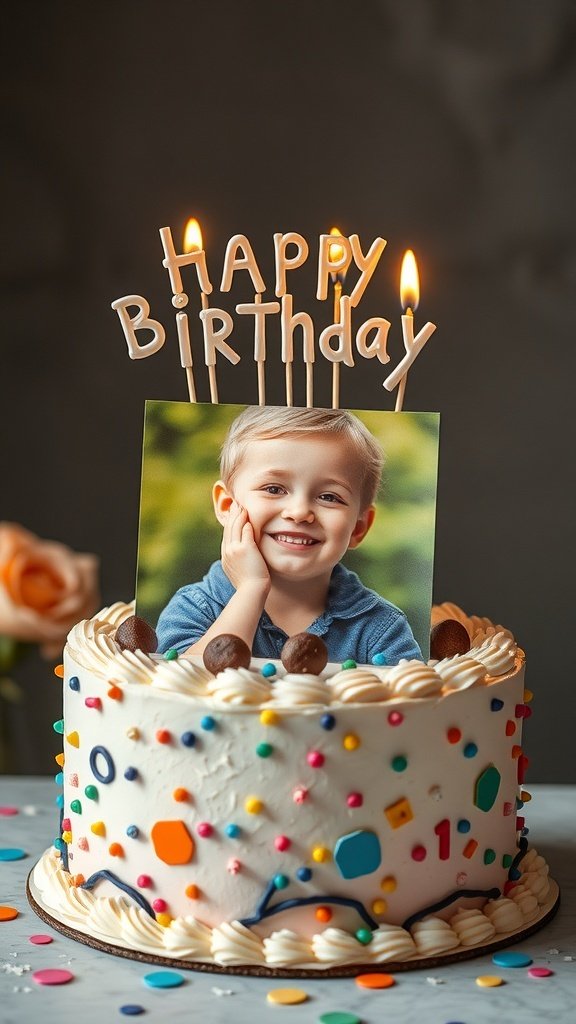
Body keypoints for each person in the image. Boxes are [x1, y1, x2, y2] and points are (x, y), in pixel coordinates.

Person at [156, 407, 422, 665]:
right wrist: (251, 589)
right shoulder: (195, 609)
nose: (299, 512)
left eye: (329, 497)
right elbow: (183, 688)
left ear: (358, 527)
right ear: (227, 506)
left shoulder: (382, 631)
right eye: (274, 489)